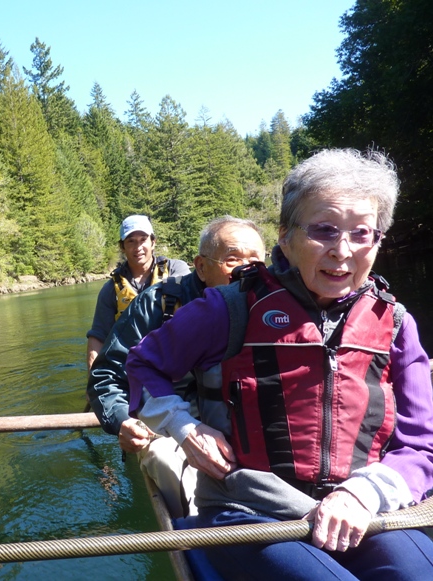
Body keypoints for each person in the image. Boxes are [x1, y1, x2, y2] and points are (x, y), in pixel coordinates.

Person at [126, 149, 433, 580]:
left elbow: (421, 447)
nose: (342, 251)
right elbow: (142, 366)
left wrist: (362, 494)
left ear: (378, 241)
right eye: (323, 230)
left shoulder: (395, 323)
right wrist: (184, 426)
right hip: (252, 509)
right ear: (286, 236)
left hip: (360, 510)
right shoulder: (226, 308)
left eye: (362, 233)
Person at [87, 216, 266, 516]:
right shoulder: (151, 301)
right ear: (202, 267)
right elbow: (105, 371)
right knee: (160, 457)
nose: (245, 272)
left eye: (255, 262)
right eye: (232, 260)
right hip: (164, 423)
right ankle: (191, 531)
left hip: (236, 423)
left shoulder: (271, 304)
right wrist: (121, 420)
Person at [86, 214, 190, 371]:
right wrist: (92, 383)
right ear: (123, 247)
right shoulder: (110, 290)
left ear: (153, 242)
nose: (138, 247)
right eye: (131, 241)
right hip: (133, 366)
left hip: (177, 359)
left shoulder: (177, 270)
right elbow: (97, 337)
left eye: (143, 239)